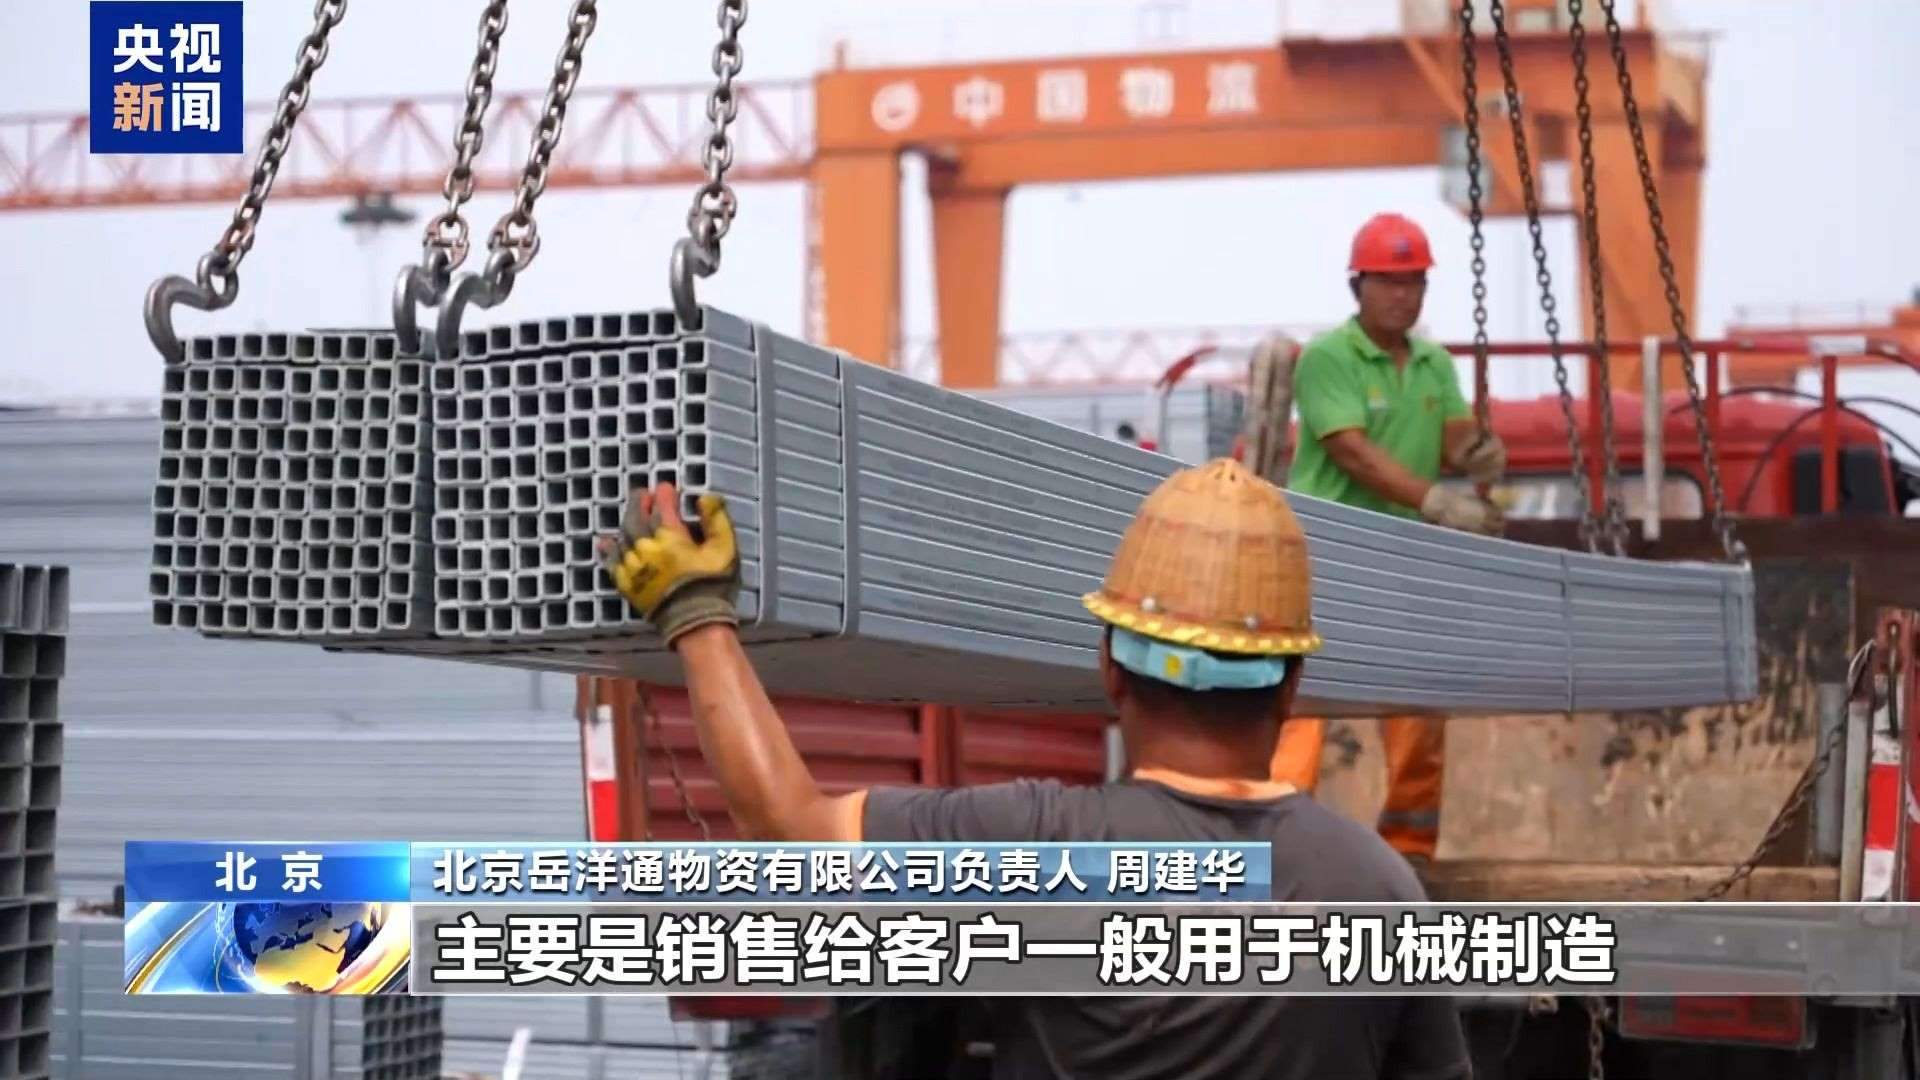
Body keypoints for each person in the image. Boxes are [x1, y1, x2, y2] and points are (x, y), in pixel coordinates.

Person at [599, 462, 1471, 1080]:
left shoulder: (1039, 846)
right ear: (1292, 687)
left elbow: (794, 828)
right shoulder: (1380, 888)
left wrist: (695, 613)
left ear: (1110, 669)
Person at [1270, 212, 1508, 866]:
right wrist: (1435, 500)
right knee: (1300, 705)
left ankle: (1410, 851)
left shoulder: (1433, 364)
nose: (1404, 295)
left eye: (1414, 282)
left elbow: (1453, 435)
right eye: (1390, 282)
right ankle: (1277, 845)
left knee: (1419, 711)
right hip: (1329, 556)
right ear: (1359, 286)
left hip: (1406, 564)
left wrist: (1477, 450)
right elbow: (1352, 452)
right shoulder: (1328, 359)